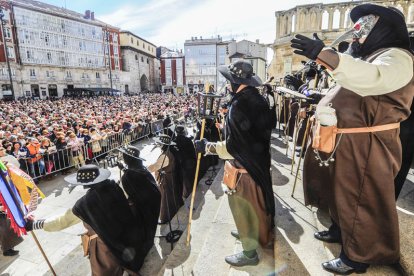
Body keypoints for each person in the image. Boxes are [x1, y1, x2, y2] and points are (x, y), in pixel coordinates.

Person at [292, 4, 414, 274]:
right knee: (342, 194)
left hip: (368, 145)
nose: (356, 36)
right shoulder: (372, 55)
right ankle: (341, 232)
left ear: (382, 29)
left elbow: (374, 79)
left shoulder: (397, 56)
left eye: (363, 29)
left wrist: (329, 56)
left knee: (361, 198)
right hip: (348, 141)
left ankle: (356, 257)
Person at [195, 60, 274, 266]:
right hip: (257, 162)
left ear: (236, 82)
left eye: (229, 81)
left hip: (244, 170)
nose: (227, 85)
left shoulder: (240, 105)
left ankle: (249, 254)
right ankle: (248, 232)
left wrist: (207, 147)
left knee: (242, 208)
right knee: (255, 207)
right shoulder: (257, 99)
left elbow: (232, 147)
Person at [25, 165, 145, 275]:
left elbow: (63, 221)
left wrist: (35, 224)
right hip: (125, 236)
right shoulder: (114, 187)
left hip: (104, 244)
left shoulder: (85, 203)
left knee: (104, 271)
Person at [118, 145, 161, 261]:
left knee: (145, 227)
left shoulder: (127, 177)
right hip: (154, 201)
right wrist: (124, 169)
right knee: (150, 224)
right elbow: (134, 175)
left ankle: (147, 246)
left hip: (143, 206)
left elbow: (129, 192)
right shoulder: (140, 168)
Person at [148, 134, 183, 224]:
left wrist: (144, 169)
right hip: (171, 177)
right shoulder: (169, 152)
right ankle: (173, 211)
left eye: (160, 143)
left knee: (166, 198)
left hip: (167, 179)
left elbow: (154, 167)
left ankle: (166, 217)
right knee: (171, 195)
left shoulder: (165, 155)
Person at [173, 125, 196, 199]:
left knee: (184, 179)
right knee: (190, 178)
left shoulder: (174, 141)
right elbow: (193, 151)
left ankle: (187, 193)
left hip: (181, 163)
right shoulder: (187, 140)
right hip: (189, 162)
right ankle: (190, 192)